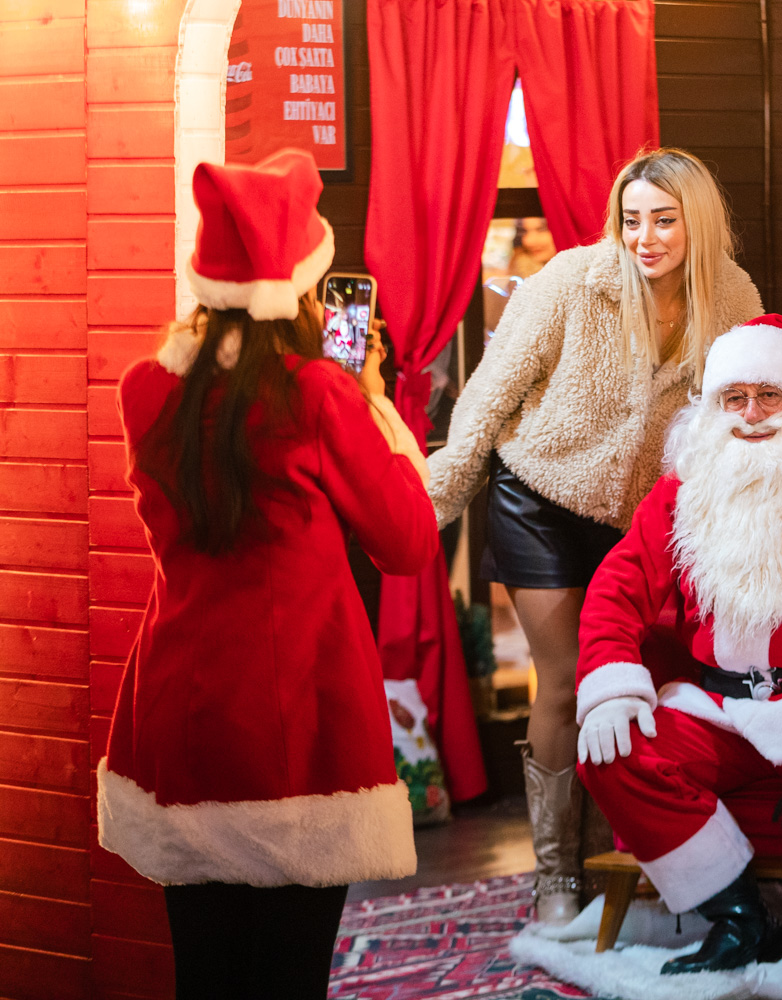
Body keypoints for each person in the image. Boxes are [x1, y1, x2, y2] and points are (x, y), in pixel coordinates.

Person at [96, 149, 436, 1000]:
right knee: (287, 977)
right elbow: (407, 541)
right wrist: (371, 398)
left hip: (179, 708)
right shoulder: (318, 395)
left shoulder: (147, 390)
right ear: (304, 286)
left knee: (205, 976)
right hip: (294, 722)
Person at [426, 148, 764, 923]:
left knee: (632, 678)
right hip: (539, 494)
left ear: (698, 223)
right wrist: (440, 493)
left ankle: (632, 855)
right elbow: (489, 393)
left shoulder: (733, 296)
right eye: (631, 218)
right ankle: (556, 876)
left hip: (640, 516)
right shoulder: (570, 283)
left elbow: (743, 403)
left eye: (664, 220)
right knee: (570, 679)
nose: (643, 236)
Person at [574, 316, 782, 1000]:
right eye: (734, 398)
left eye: (771, 396)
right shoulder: (683, 492)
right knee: (612, 749)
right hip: (717, 705)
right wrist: (611, 679)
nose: (751, 416)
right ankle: (736, 916)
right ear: (711, 409)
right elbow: (618, 584)